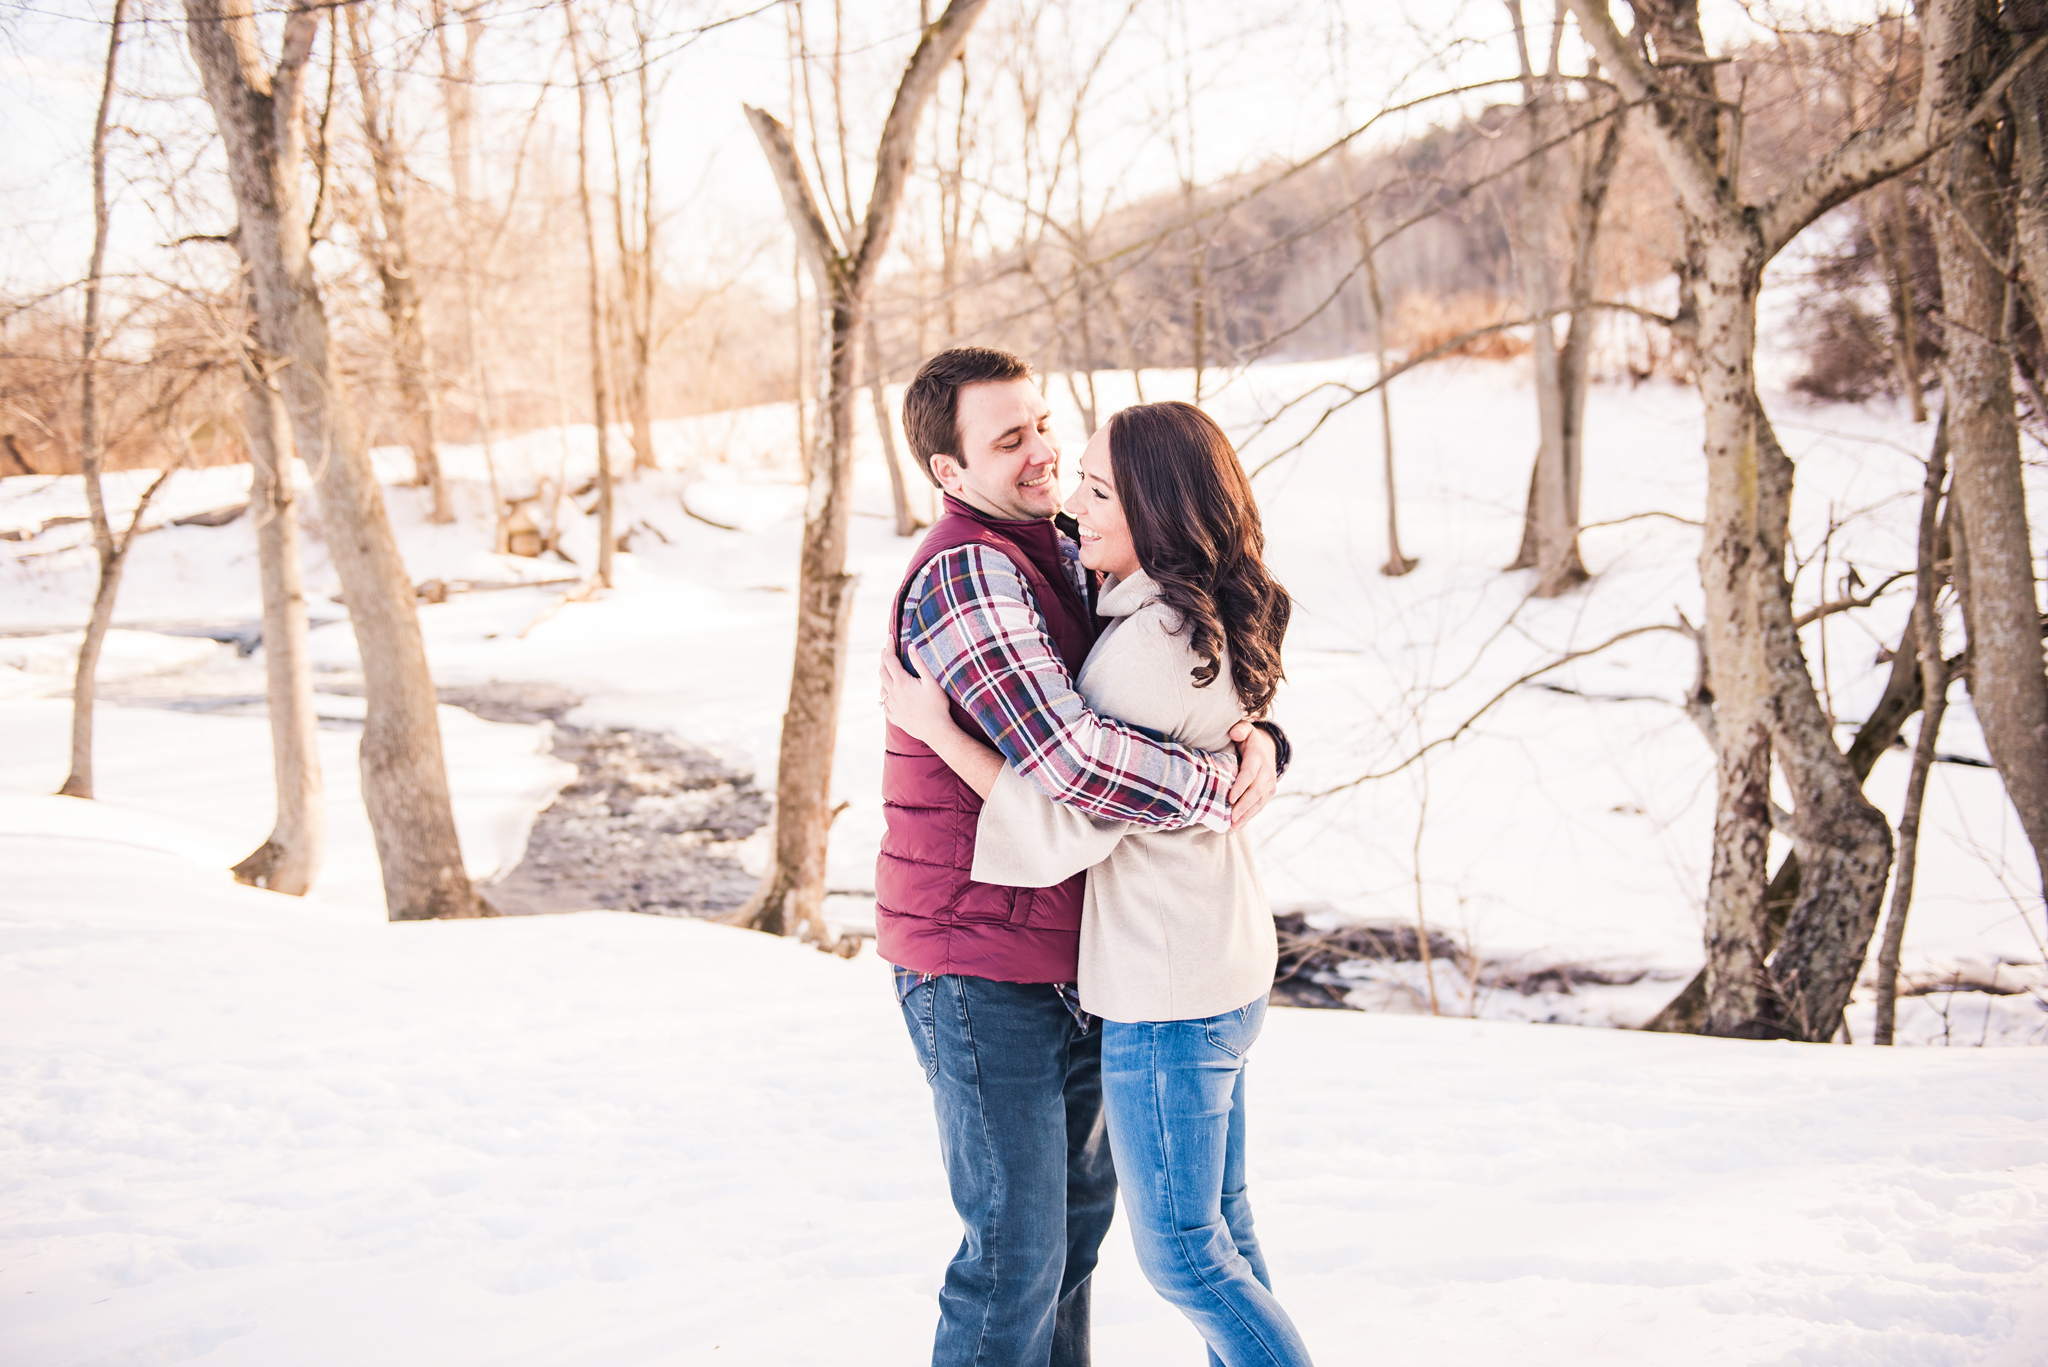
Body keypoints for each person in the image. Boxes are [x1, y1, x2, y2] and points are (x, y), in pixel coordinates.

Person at [882, 400, 1313, 1367]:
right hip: (1187, 961)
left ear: (1156, 511)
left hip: (1165, 980)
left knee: (1182, 1258)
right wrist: (1252, 748)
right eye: (1018, 444)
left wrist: (939, 730)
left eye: (1094, 483)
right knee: (1182, 1238)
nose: (1065, 487)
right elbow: (1132, 748)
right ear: (951, 474)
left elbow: (1068, 803)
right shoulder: (1137, 594)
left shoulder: (1139, 630)